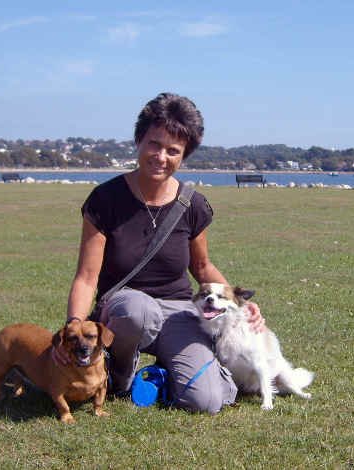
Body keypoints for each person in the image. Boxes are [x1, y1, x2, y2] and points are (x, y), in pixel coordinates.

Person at [56, 92, 264, 414]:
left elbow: (202, 266)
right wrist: (72, 326)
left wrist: (241, 304)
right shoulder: (105, 199)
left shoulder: (192, 205)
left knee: (206, 401)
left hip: (178, 311)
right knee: (139, 310)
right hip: (125, 310)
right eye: (154, 144)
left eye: (173, 151)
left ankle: (172, 375)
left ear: (184, 156)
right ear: (139, 140)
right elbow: (87, 277)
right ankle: (120, 373)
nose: (161, 156)